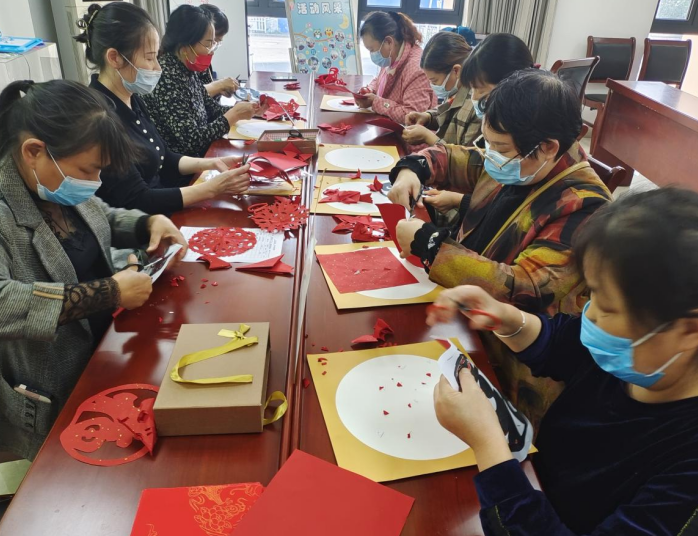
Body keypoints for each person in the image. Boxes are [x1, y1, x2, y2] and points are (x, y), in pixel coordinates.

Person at [428, 188, 698, 535]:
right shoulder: (643, 354)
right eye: (592, 294)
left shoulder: (687, 471)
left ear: (688, 331)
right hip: (539, 485)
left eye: (607, 307)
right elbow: (559, 343)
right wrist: (505, 318)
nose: (590, 315)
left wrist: (488, 443)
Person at [0, 79, 188, 459]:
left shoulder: (54, 180)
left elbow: (101, 215)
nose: (94, 183)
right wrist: (109, 292)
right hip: (57, 389)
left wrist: (147, 223)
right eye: (88, 170)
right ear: (34, 151)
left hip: (107, 356)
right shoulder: (8, 211)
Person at [389, 69, 610, 317]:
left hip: (502, 328)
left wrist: (432, 246)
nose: (491, 155)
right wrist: (413, 169)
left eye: (501, 149)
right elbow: (452, 158)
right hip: (461, 297)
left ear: (548, 147)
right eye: (488, 143)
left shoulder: (584, 206)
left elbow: (527, 289)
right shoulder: (523, 161)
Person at [73, 2, 250, 215]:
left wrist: (213, 163)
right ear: (114, 58)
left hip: (163, 206)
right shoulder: (99, 117)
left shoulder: (131, 97)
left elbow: (164, 156)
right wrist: (212, 188)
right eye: (149, 58)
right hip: (146, 221)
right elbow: (138, 200)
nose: (157, 67)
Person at [410, 33, 536, 219]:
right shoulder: (499, 118)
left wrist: (459, 202)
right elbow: (469, 160)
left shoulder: (516, 132)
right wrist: (412, 166)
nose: (474, 97)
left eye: (480, 91)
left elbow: (504, 211)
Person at [143, 4, 258, 158]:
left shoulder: (187, 69)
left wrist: (247, 110)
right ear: (186, 45)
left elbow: (212, 110)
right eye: (209, 44)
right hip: (185, 163)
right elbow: (192, 141)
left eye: (214, 44)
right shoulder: (166, 77)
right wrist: (233, 116)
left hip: (201, 156)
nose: (212, 51)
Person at [356, 11, 436, 124]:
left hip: (408, 133)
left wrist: (375, 102)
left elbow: (412, 116)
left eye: (372, 49)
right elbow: (379, 80)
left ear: (389, 42)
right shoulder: (391, 56)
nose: (371, 54)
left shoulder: (416, 69)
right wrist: (369, 90)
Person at [402, 31, 476, 148]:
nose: (432, 85)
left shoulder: (476, 104)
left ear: (456, 70)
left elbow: (466, 155)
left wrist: (427, 137)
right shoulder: (457, 89)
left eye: (434, 80)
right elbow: (446, 112)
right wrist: (427, 117)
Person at [198, 4, 239, 100]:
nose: (211, 52)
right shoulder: (184, 65)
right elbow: (193, 97)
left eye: (217, 43)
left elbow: (207, 100)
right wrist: (219, 85)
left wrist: (219, 90)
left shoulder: (203, 61)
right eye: (211, 42)